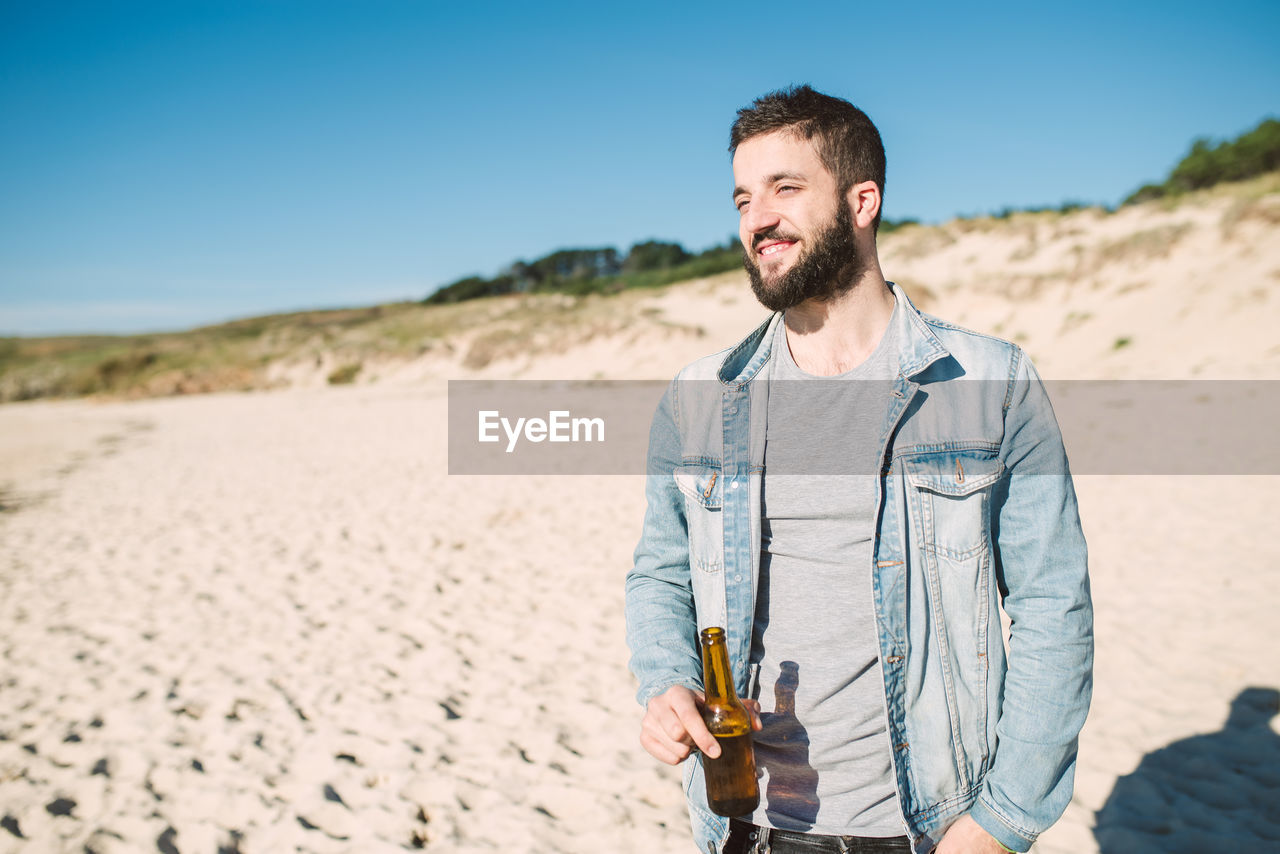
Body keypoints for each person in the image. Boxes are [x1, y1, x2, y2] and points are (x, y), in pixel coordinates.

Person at [624, 85, 1093, 854]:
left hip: (934, 828)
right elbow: (660, 575)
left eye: (785, 189)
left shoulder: (990, 382)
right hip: (747, 828)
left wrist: (1002, 823)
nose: (757, 220)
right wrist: (665, 684)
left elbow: (1053, 607)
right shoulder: (699, 398)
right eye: (743, 198)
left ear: (861, 201)